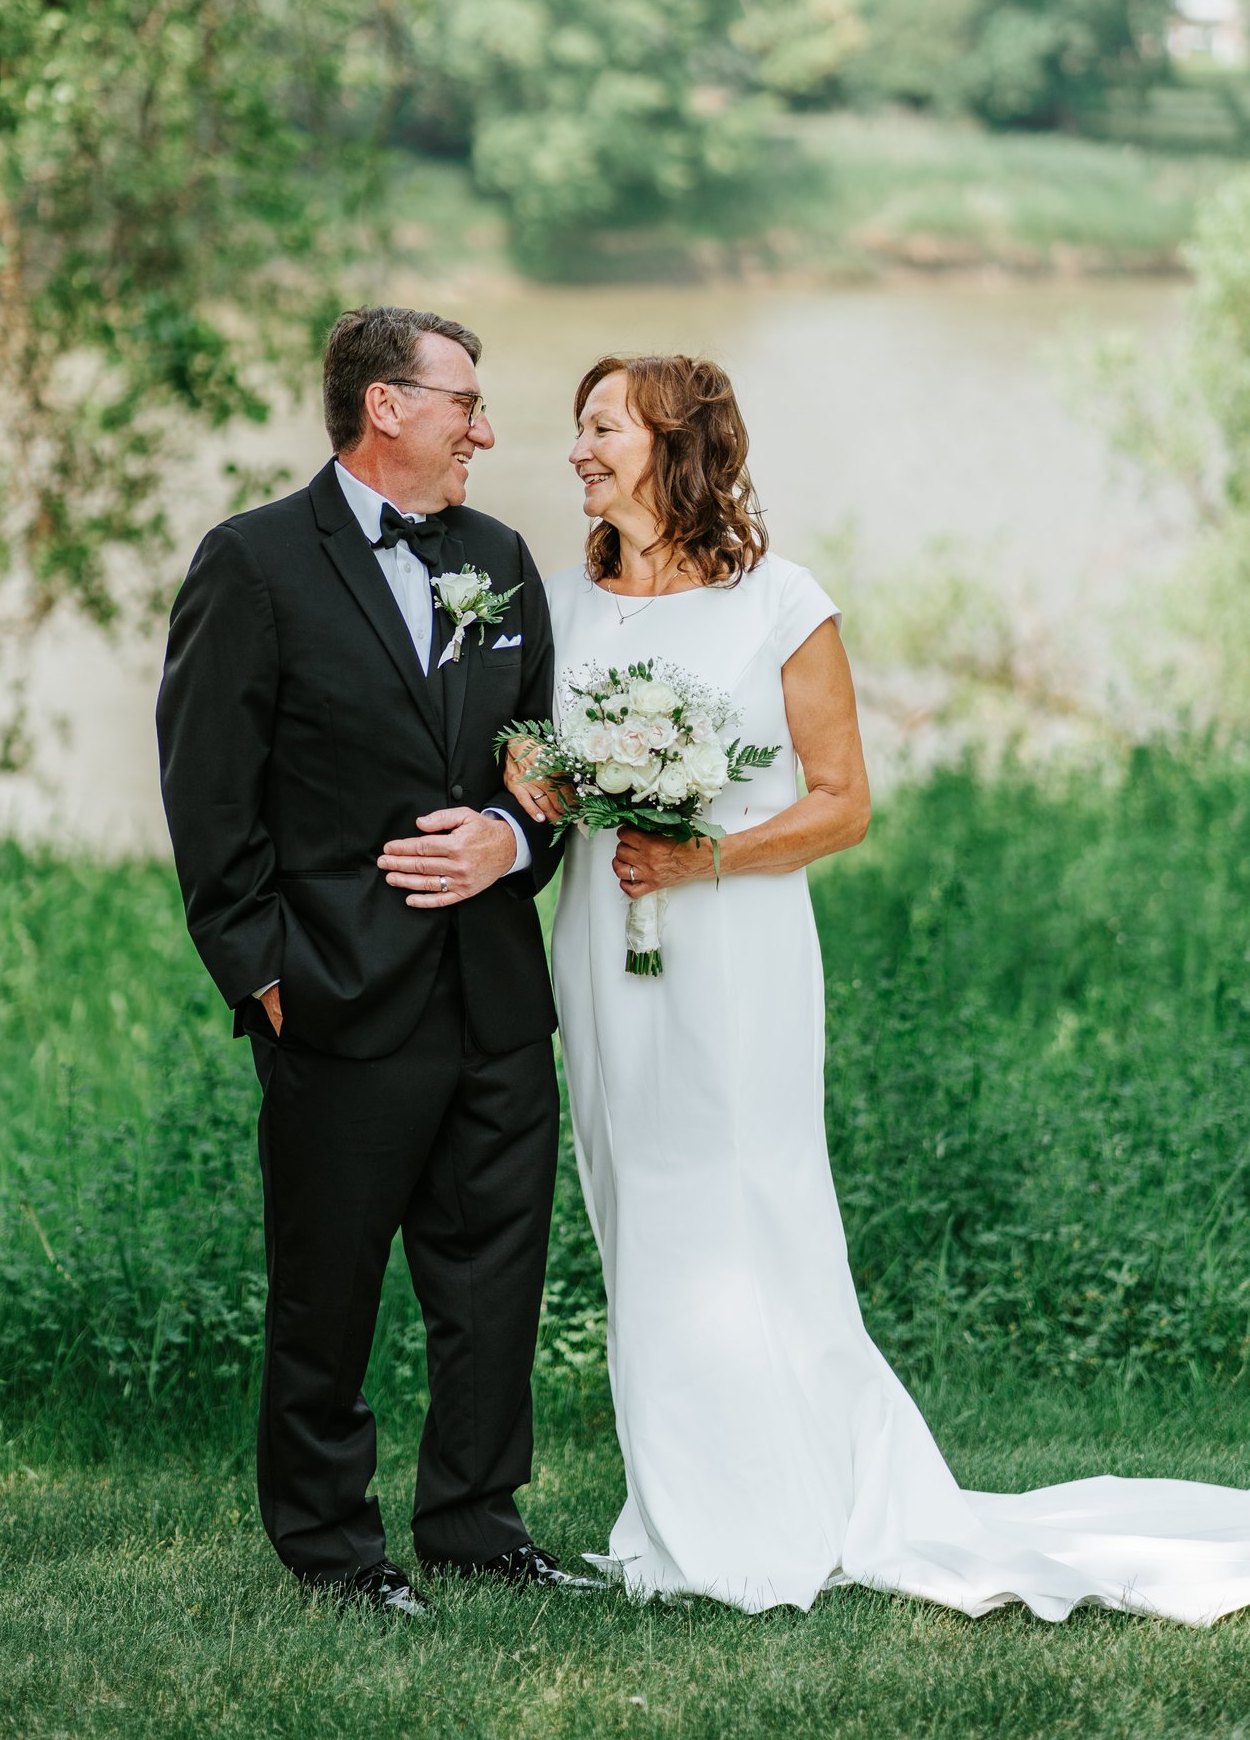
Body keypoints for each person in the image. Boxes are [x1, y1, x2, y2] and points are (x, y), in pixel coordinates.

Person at [504, 351, 1250, 1623]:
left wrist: (703, 855)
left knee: (747, 1198)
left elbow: (843, 803)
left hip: (733, 946)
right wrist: (551, 786)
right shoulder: (563, 601)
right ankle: (677, 1499)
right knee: (635, 1203)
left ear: (676, 445)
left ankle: (776, 1502)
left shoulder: (781, 602)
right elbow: (539, 758)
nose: (577, 447)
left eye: (602, 426)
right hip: (601, 941)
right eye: (578, 427)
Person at [157, 304, 595, 1616]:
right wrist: (265, 975)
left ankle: (474, 1518)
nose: (487, 428)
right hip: (337, 998)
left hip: (495, 999)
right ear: (387, 406)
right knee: (327, 1289)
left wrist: (511, 843)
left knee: (494, 1278)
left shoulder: (502, 560)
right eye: (467, 402)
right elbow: (206, 792)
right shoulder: (253, 563)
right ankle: (331, 1549)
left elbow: (545, 766)